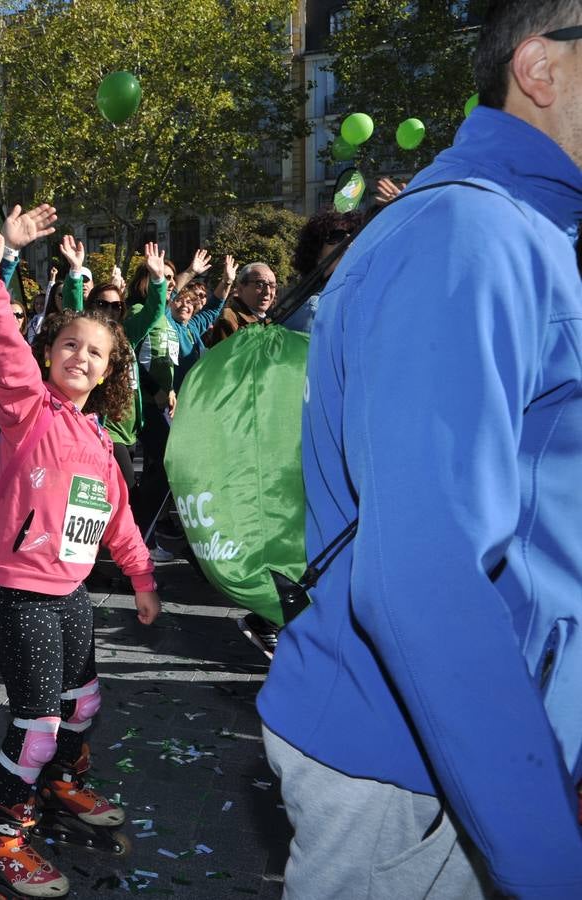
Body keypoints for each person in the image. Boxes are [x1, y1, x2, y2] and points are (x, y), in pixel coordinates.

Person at [257, 2, 582, 897]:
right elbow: (424, 574)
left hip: (473, 755)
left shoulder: (528, 233)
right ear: (541, 68)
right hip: (421, 775)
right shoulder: (469, 238)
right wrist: (549, 855)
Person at [0, 209, 159, 898]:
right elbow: (2, 348)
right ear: (51, 354)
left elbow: (117, 518)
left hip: (69, 590)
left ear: (107, 372)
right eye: (69, 344)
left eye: (94, 353)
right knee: (38, 719)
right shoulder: (27, 408)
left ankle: (63, 786)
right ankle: (0, 840)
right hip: (15, 587)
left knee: (84, 701)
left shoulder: (101, 444)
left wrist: (141, 576)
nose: (80, 356)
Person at [284, 211, 363, 333]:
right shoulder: (311, 309)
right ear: (316, 254)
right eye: (337, 235)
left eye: (353, 234)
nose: (348, 239)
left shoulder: (364, 298)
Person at [201, 262, 275, 348]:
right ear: (240, 289)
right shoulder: (229, 319)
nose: (268, 292)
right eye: (260, 285)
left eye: (272, 286)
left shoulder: (271, 322)